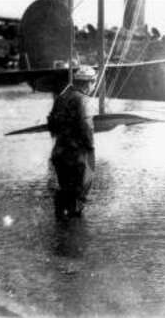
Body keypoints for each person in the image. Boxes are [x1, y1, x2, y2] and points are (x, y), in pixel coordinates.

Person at [47, 65, 97, 218]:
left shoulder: (61, 97)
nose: (93, 87)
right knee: (78, 195)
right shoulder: (84, 100)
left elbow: (51, 125)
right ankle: (76, 236)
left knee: (64, 193)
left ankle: (61, 234)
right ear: (89, 82)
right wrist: (91, 148)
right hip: (77, 156)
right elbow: (86, 127)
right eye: (93, 83)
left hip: (59, 153)